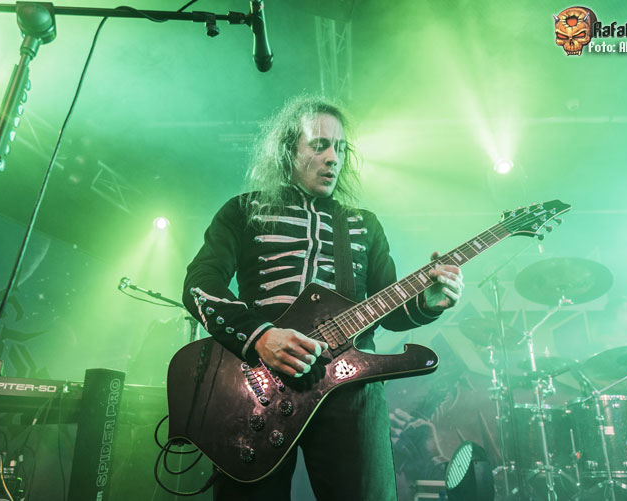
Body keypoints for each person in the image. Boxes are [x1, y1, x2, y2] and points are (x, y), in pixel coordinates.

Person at [182, 95, 464, 500]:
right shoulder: (243, 211)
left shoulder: (364, 225)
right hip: (255, 387)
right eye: (320, 145)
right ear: (288, 151)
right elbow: (200, 283)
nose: (334, 158)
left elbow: (390, 310)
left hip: (351, 386)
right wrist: (261, 337)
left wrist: (427, 302)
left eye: (341, 148)